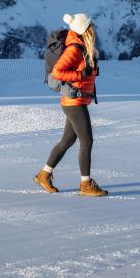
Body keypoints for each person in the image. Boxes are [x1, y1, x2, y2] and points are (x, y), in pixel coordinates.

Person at [34, 12, 108, 196]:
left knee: (67, 140)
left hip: (77, 99)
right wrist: (79, 76)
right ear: (85, 30)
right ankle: (86, 184)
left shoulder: (83, 47)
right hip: (73, 101)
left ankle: (44, 174)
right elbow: (58, 72)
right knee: (87, 141)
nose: (94, 29)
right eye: (91, 27)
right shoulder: (74, 49)